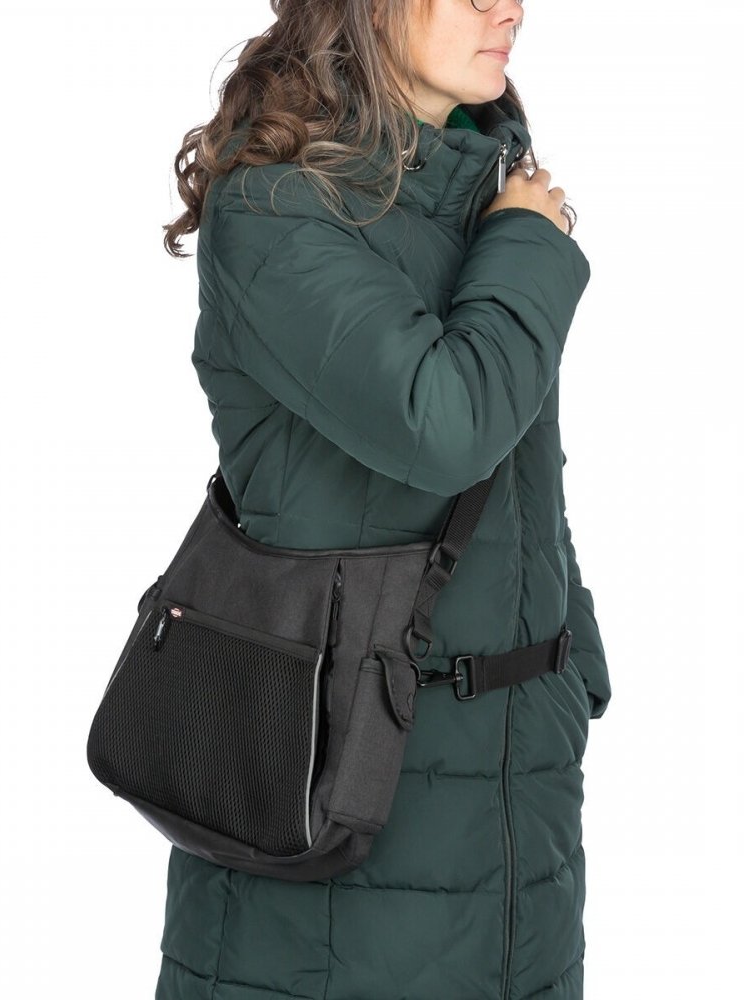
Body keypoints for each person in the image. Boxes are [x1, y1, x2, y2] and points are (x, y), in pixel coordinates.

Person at [155, 1, 611, 997]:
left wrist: (564, 666)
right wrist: (527, 244)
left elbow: (521, 476)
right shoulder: (277, 208)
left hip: (518, 823)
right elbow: (446, 426)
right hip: (327, 826)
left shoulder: (478, 200)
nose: (510, 7)